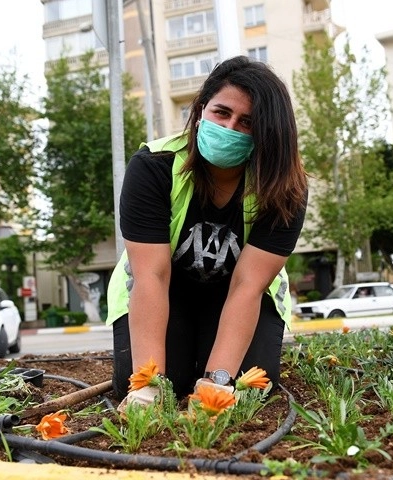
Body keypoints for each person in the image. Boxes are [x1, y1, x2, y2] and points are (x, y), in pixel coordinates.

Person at [106, 55, 308, 403]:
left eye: (247, 122)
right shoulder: (153, 167)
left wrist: (218, 382)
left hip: (242, 294)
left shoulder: (284, 188)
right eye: (221, 113)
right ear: (201, 110)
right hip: (164, 289)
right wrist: (148, 383)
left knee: (248, 388)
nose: (230, 129)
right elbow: (151, 275)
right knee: (165, 382)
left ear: (266, 133)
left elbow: (248, 285)